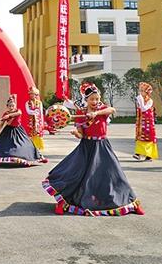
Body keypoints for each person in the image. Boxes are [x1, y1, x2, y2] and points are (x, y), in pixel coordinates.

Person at [42, 84, 144, 216]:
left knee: (115, 175)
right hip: (86, 147)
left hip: (102, 146)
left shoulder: (102, 109)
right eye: (92, 99)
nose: (95, 101)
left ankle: (132, 203)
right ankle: (63, 203)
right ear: (86, 100)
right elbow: (81, 134)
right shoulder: (81, 113)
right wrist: (76, 133)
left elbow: (112, 110)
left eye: (97, 99)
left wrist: (96, 113)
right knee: (74, 175)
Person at [0, 95, 47, 166]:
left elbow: (19, 113)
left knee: (26, 144)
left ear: (15, 106)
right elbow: (1, 124)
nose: (11, 107)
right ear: (7, 106)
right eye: (10, 106)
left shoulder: (17, 110)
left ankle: (33, 158)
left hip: (18, 130)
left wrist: (9, 116)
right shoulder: (5, 114)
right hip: (8, 130)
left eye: (13, 106)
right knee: (2, 145)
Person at [133, 82, 158, 161]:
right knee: (140, 136)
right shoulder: (140, 100)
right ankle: (138, 153)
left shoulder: (150, 101)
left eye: (142, 91)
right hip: (141, 123)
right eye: (140, 91)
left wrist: (140, 99)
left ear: (146, 92)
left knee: (148, 137)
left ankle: (149, 155)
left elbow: (144, 108)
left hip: (148, 124)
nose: (140, 93)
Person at [25, 86, 46, 156]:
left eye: (33, 94)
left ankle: (38, 150)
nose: (32, 95)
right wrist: (34, 112)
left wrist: (42, 122)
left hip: (38, 121)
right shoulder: (27, 103)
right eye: (30, 94)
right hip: (31, 121)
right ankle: (31, 149)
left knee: (38, 135)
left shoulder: (39, 103)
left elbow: (41, 112)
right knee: (31, 135)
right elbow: (28, 111)